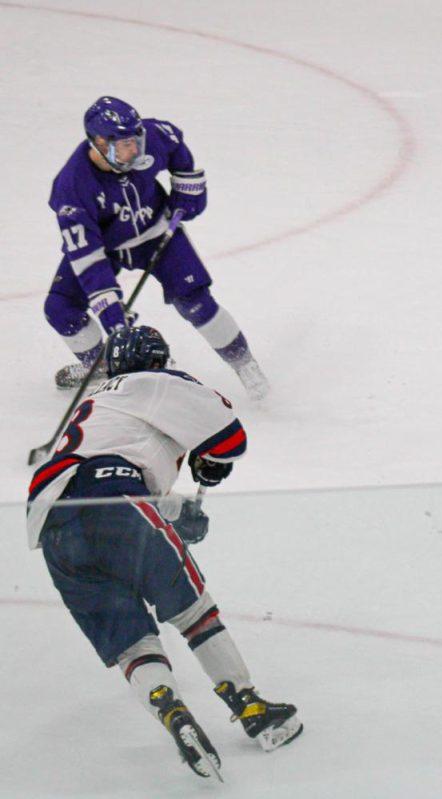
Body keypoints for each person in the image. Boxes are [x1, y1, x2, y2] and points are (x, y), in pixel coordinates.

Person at [26, 326, 300, 779]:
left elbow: (99, 480)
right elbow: (230, 440)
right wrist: (209, 464)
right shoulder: (152, 382)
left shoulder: (101, 407)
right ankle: (249, 707)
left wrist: (175, 509)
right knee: (194, 611)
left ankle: (172, 710)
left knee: (133, 641)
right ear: (157, 362)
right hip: (115, 501)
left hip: (51, 529)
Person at [45, 96, 268, 400]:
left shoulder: (150, 138)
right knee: (60, 308)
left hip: (156, 231)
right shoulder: (72, 188)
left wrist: (187, 183)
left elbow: (174, 142)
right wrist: (112, 314)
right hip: (106, 249)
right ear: (98, 143)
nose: (135, 150)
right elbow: (88, 258)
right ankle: (100, 365)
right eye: (124, 145)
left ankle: (245, 364)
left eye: (136, 140)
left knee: (195, 300)